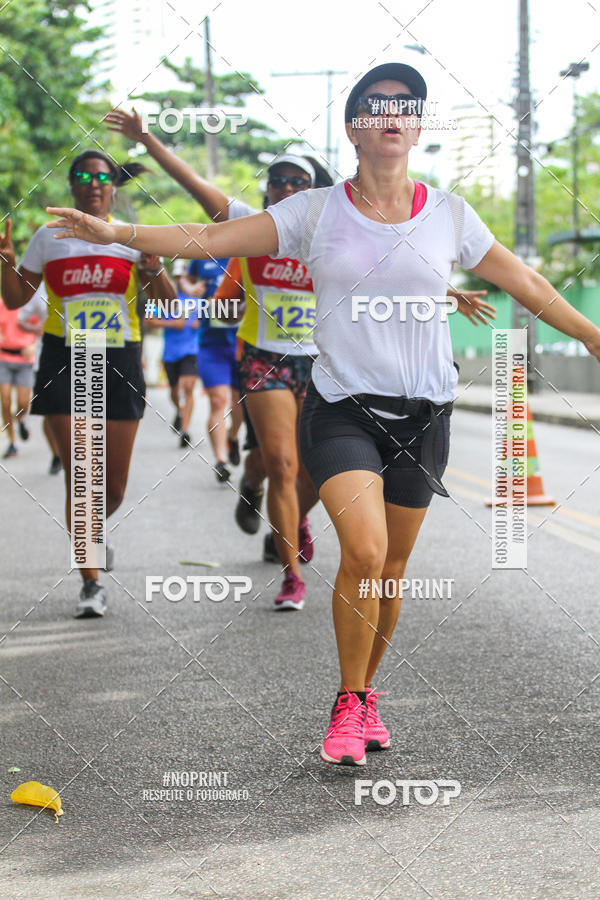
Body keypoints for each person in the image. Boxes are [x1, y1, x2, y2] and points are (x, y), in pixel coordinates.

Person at [48, 61, 600, 758]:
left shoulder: (450, 215)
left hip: (425, 413)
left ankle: (367, 696)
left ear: (419, 126)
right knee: (364, 552)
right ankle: (347, 702)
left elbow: (525, 280)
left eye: (407, 106)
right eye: (376, 106)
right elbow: (209, 238)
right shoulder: (313, 212)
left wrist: (592, 336)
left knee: (391, 571)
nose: (393, 115)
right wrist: (120, 235)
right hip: (340, 407)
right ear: (354, 129)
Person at [104, 107, 326, 608]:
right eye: (279, 181)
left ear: (312, 192)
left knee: (314, 472)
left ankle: (265, 496)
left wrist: (446, 289)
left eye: (299, 182)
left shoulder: (329, 232)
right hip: (262, 358)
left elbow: (389, 254)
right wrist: (149, 141)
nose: (287, 189)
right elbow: (193, 186)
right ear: (268, 189)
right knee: (284, 464)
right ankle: (291, 575)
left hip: (320, 363)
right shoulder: (250, 224)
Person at [1, 149, 176, 618]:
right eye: (82, 176)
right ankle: (91, 580)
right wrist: (7, 263)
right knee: (83, 474)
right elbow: (17, 298)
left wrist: (153, 266)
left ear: (112, 187)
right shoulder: (48, 238)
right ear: (73, 187)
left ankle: (93, 533)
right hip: (65, 356)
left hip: (119, 358)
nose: (92, 184)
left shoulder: (133, 238)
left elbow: (168, 308)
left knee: (111, 489)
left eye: (101, 177)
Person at [186, 254, 243, 484]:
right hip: (211, 344)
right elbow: (186, 280)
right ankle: (221, 461)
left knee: (240, 404)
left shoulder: (247, 252)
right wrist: (192, 289)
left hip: (242, 342)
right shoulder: (202, 255)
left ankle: (233, 436)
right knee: (218, 401)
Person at [145, 258, 199, 449]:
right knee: (175, 392)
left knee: (188, 387)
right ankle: (180, 411)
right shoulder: (165, 297)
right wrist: (171, 324)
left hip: (191, 349)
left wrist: (200, 323)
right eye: (179, 275)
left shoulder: (199, 299)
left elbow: (211, 318)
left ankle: (184, 431)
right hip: (170, 352)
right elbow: (148, 321)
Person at [17, 284, 63, 473]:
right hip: (46, 358)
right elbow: (21, 320)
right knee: (51, 412)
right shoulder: (40, 288)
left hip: (80, 355)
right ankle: (57, 455)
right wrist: (36, 328)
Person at [0, 296, 37, 458]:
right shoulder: (3, 304)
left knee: (23, 403)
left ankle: (21, 419)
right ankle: (12, 442)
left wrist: (33, 344)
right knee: (5, 400)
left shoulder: (30, 304)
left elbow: (40, 326)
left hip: (24, 359)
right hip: (4, 357)